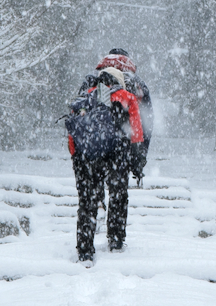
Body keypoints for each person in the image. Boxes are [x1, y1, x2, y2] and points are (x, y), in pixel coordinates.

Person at [64, 48, 152, 263]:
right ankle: (116, 239)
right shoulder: (131, 91)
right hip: (117, 153)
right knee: (119, 195)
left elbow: (74, 124)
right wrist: (138, 159)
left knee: (87, 200)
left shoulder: (89, 87)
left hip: (86, 156)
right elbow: (141, 129)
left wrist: (76, 155)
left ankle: (85, 248)